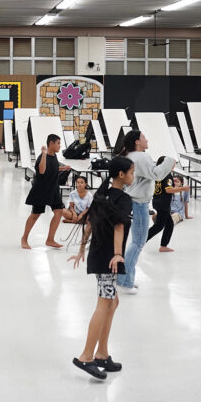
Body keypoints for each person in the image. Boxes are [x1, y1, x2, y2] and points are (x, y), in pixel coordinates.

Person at [68, 156, 135, 380]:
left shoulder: (100, 195)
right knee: (103, 304)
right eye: (132, 172)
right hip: (109, 259)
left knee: (112, 302)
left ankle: (102, 354)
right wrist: (118, 254)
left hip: (98, 256)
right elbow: (119, 227)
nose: (133, 176)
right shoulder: (124, 199)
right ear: (121, 175)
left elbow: (88, 224)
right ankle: (86, 356)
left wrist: (81, 250)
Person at [115, 130, 175, 294]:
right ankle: (124, 280)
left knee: (136, 242)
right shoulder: (141, 157)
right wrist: (169, 160)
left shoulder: (132, 156)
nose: (147, 139)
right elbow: (157, 174)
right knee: (138, 243)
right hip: (139, 203)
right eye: (144, 137)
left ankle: (126, 278)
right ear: (136, 141)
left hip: (134, 201)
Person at [21, 134, 70, 249]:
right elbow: (42, 170)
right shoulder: (42, 156)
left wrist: (63, 168)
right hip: (41, 190)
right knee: (35, 215)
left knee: (58, 212)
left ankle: (50, 239)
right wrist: (43, 154)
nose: (60, 146)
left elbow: (52, 167)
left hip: (53, 189)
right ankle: (24, 238)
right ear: (51, 143)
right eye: (58, 143)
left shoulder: (54, 156)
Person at [144, 158, 189, 252]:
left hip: (157, 201)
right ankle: (141, 241)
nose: (173, 166)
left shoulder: (158, 173)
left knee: (169, 224)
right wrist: (183, 188)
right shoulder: (167, 175)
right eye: (172, 164)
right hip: (163, 204)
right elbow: (168, 190)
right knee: (159, 226)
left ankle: (163, 246)